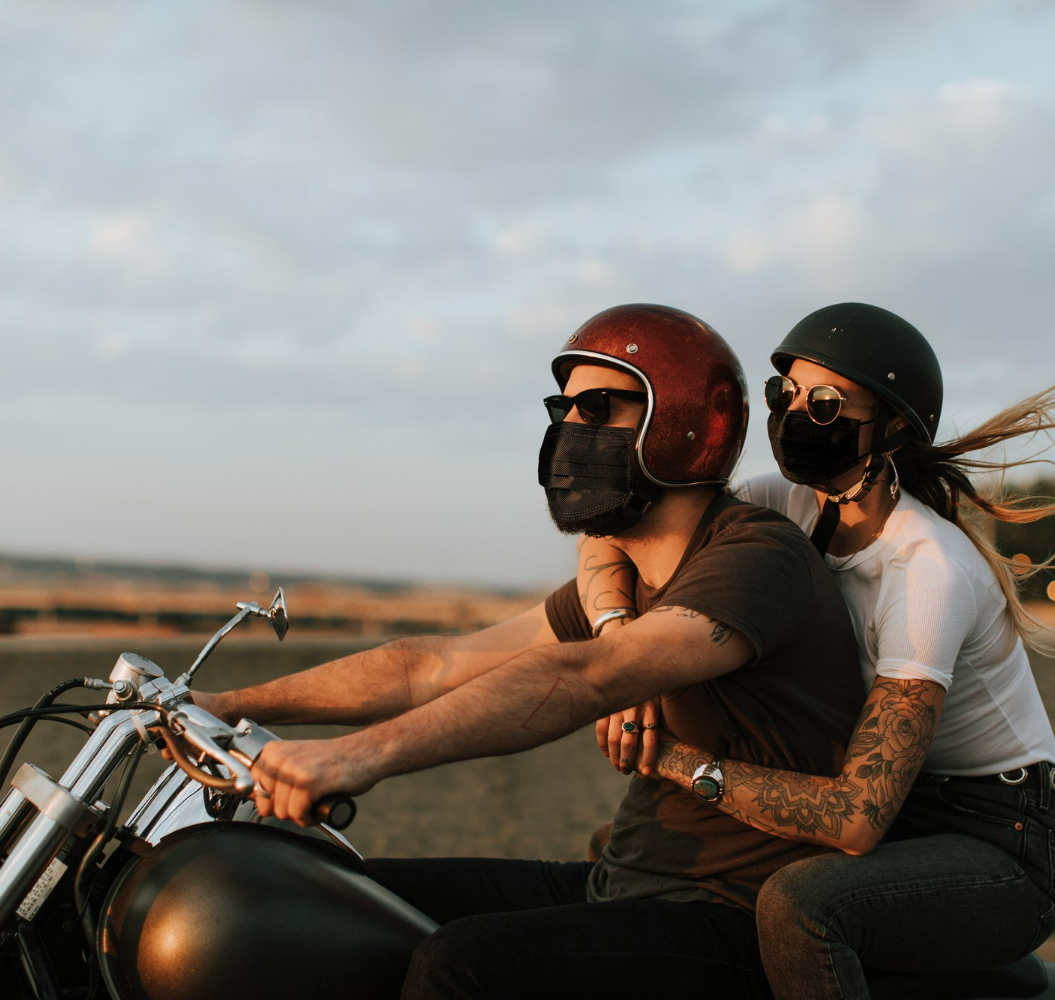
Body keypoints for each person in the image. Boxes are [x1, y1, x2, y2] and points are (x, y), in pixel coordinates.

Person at [190, 303, 867, 999]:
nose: (569, 430)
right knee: (317, 898)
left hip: (727, 918)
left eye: (599, 408)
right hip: (619, 883)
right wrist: (220, 706)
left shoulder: (755, 556)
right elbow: (433, 666)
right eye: (563, 409)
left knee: (463, 964)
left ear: (682, 420)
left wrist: (357, 756)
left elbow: (589, 677)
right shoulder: (624, 583)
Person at [579, 302, 1055, 999]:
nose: (792, 416)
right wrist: (619, 647)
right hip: (902, 811)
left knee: (801, 908)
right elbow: (618, 520)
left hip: (1000, 838)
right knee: (633, 860)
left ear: (895, 425)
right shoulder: (784, 504)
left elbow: (855, 816)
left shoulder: (926, 567)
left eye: (825, 404)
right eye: (784, 396)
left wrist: (678, 762)